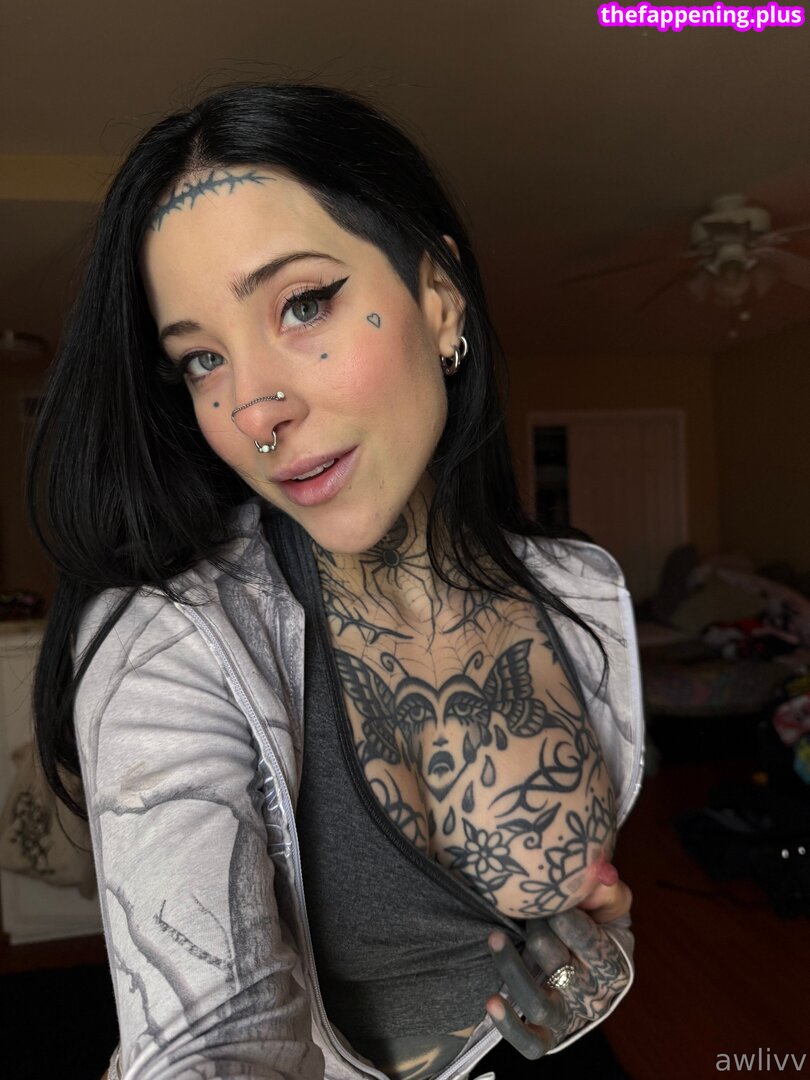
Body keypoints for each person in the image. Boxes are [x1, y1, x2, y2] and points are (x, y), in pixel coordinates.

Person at [27, 82, 643, 1080]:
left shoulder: (580, 595)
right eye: (201, 360)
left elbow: (581, 923)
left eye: (303, 304)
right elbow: (212, 1041)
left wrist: (597, 947)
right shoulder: (169, 644)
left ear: (437, 297)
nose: (253, 410)